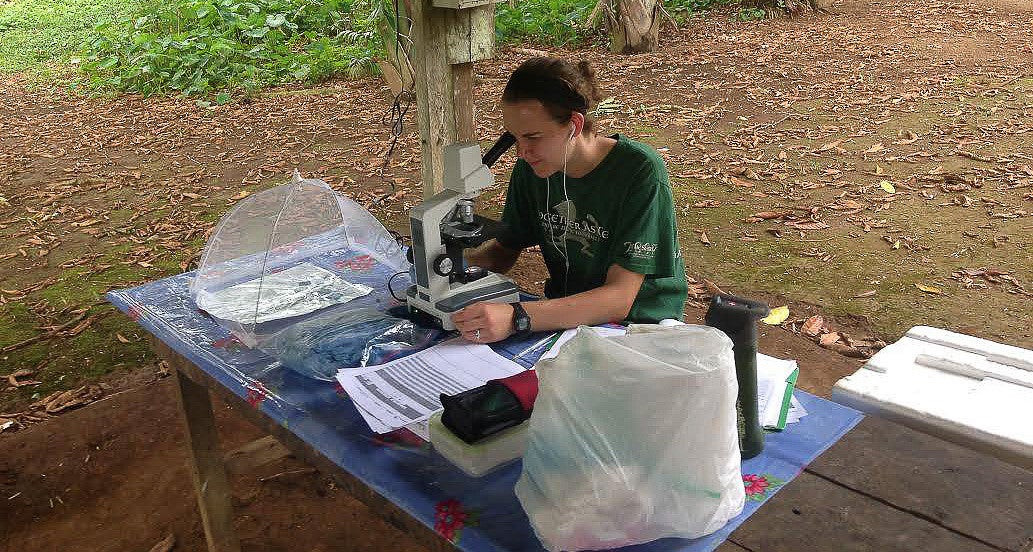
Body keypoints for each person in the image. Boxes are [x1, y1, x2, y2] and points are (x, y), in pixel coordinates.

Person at [452, 57, 688, 343]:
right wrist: (447, 269)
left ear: (574, 124)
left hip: (638, 326)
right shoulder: (533, 169)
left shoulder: (638, 170)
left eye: (533, 137)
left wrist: (516, 317)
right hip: (567, 319)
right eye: (515, 138)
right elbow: (503, 251)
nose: (521, 152)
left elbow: (619, 298)